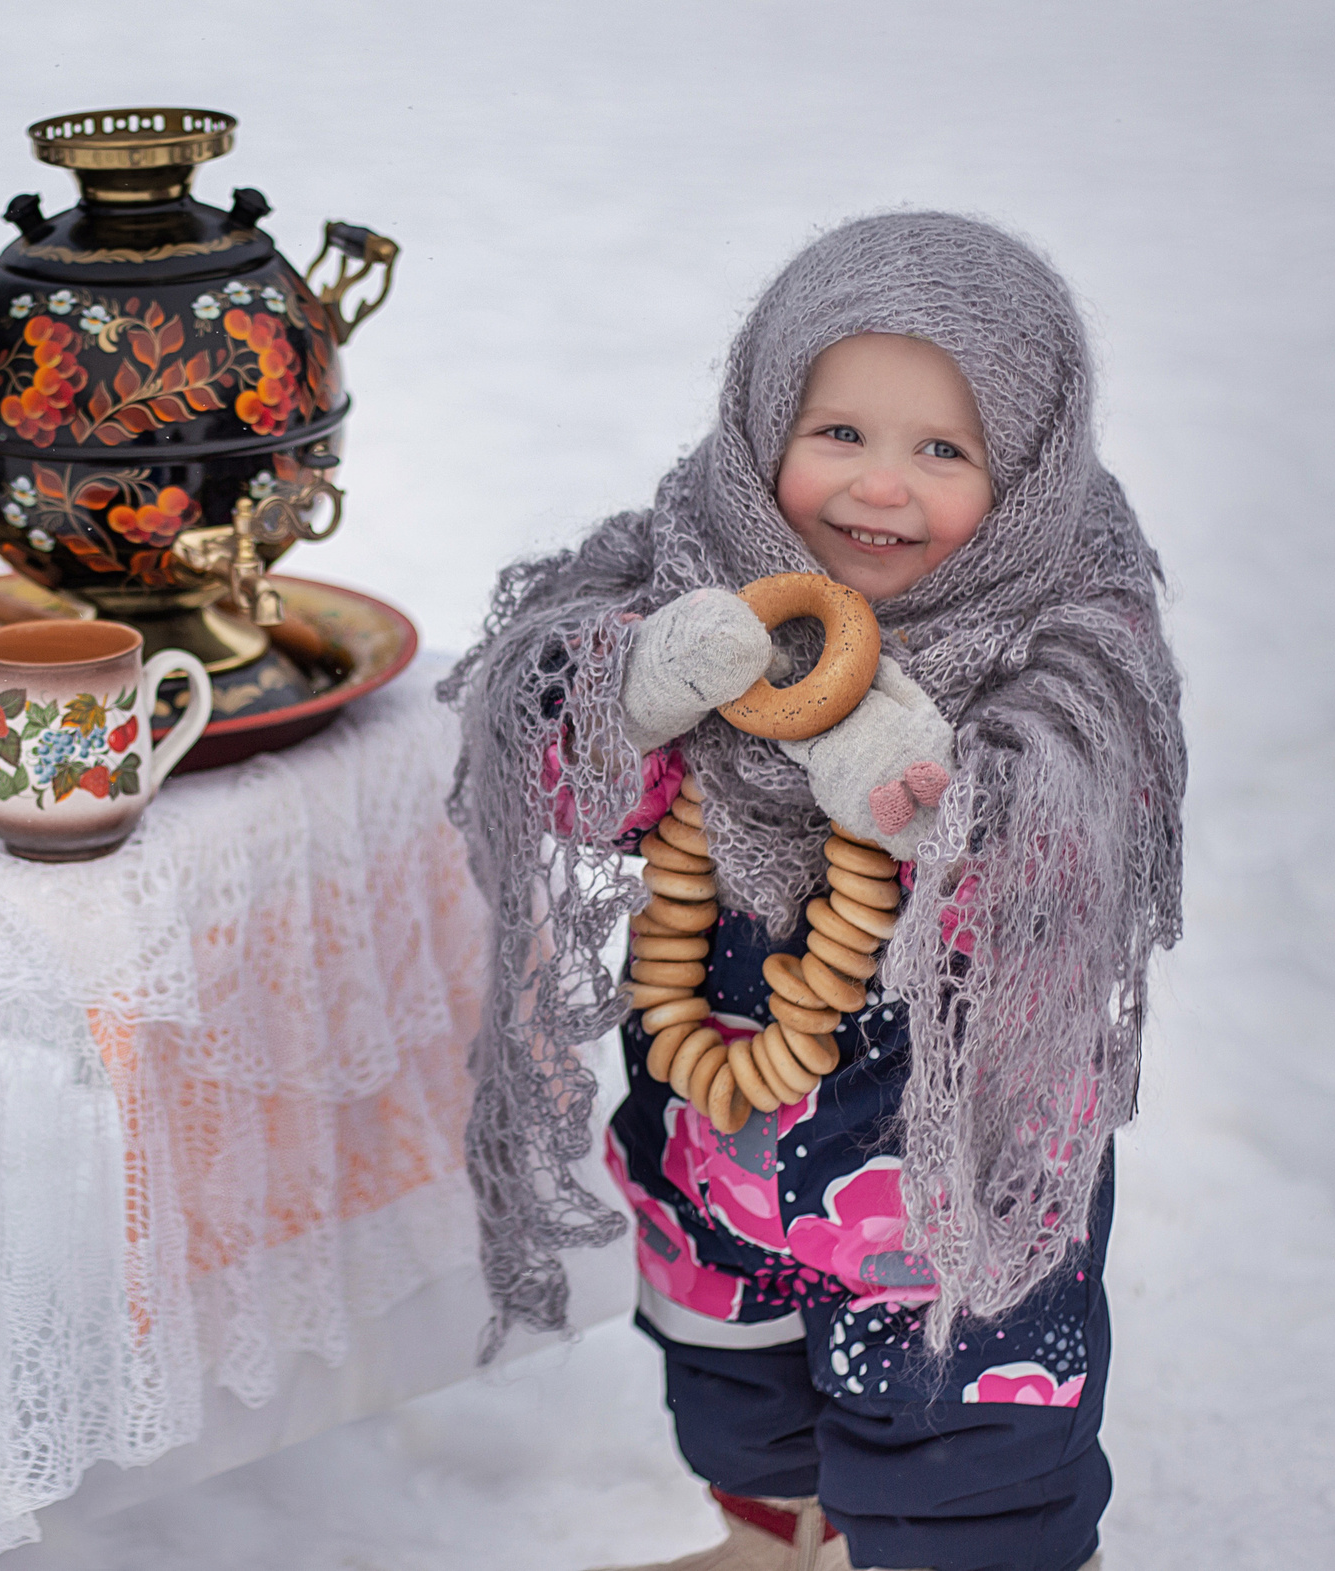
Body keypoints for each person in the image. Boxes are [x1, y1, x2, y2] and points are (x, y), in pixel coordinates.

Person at [439, 213, 1185, 1571]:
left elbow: (1080, 856)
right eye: (838, 432)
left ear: (1024, 467)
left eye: (942, 450)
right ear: (764, 411)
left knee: (966, 1425)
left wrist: (945, 803)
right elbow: (546, 768)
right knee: (734, 1369)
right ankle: (776, 1534)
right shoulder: (691, 554)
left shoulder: (1069, 622)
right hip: (722, 1101)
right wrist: (629, 688)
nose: (879, 489)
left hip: (948, 1151)